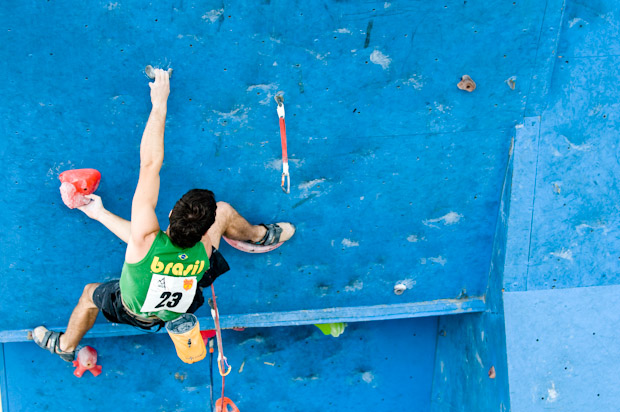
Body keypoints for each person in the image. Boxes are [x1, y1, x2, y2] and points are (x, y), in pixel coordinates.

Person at [33, 68, 295, 361]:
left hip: (135, 310)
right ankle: (259, 236)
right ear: (208, 232)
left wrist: (160, 103)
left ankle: (65, 347)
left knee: (88, 295)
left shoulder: (146, 238)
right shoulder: (204, 251)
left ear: (170, 214)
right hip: (184, 298)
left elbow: (150, 165)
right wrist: (100, 214)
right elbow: (143, 241)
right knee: (223, 209)